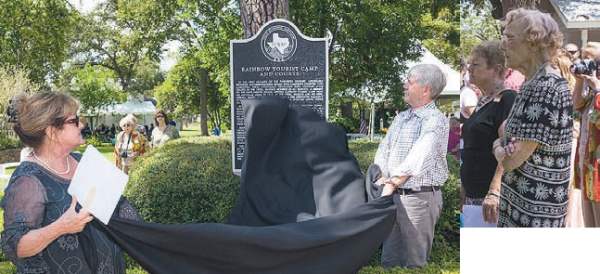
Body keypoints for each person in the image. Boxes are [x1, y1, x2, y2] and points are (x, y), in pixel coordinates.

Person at [1, 92, 140, 273]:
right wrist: (61, 227)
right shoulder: (28, 180)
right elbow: (16, 246)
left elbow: (119, 205)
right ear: (52, 132)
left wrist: (156, 236)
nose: (82, 124)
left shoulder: (82, 160)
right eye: (74, 121)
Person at [494, 8, 572, 227]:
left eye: (509, 37)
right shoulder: (532, 83)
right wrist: (504, 145)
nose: (503, 44)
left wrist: (497, 147)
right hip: (520, 207)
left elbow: (511, 160)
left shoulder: (545, 87)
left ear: (533, 42)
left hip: (535, 216)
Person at [370, 64, 448, 267]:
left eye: (409, 81)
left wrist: (392, 182)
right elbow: (384, 149)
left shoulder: (435, 120)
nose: (404, 85)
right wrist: (380, 175)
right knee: (389, 261)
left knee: (413, 263)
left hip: (418, 200)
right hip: (392, 195)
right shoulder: (401, 117)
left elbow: (420, 155)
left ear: (426, 89)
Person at [461, 40, 516, 225]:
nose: (470, 69)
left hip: (489, 203)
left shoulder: (508, 100)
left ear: (496, 68)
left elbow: (509, 147)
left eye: (476, 64)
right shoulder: (484, 101)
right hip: (473, 198)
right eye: (469, 64)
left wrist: (495, 190)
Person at [573, 42, 600, 227]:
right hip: (587, 165)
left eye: (593, 60)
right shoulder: (591, 88)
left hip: (597, 166)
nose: (588, 64)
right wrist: (580, 80)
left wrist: (598, 89)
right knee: (589, 223)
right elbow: (576, 106)